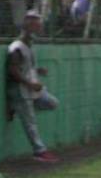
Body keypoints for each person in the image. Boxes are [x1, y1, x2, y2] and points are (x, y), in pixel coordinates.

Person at [6, 11, 60, 163]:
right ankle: (39, 151)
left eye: (38, 25)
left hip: (33, 90)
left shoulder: (29, 46)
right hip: (22, 90)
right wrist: (30, 84)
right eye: (35, 26)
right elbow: (13, 71)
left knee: (52, 103)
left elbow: (24, 68)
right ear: (26, 27)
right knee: (31, 124)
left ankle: (20, 109)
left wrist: (38, 71)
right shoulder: (17, 47)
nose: (38, 29)